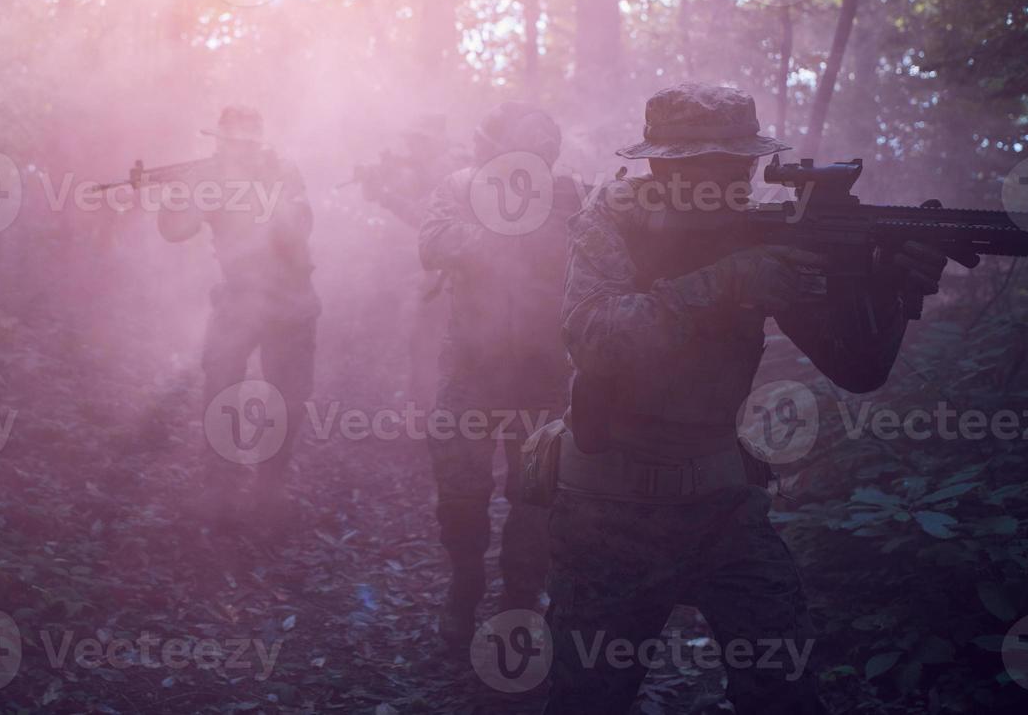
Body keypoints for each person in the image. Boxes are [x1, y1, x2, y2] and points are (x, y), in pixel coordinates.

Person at [545, 83, 954, 714]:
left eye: (738, 167)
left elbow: (858, 366)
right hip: (608, 506)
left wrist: (890, 290)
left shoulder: (765, 236)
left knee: (783, 689)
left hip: (722, 504)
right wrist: (726, 281)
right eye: (703, 167)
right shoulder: (616, 217)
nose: (727, 182)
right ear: (659, 165)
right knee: (588, 697)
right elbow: (595, 337)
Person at [418, 101, 581, 651]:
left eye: (540, 154)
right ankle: (465, 585)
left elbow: (598, 262)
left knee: (536, 496)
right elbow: (433, 243)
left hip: (541, 375)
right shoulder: (461, 188)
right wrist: (504, 229)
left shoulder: (570, 195)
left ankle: (519, 599)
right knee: (460, 492)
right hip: (471, 370)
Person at [157, 105, 320, 518]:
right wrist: (181, 195)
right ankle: (220, 487)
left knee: (288, 396)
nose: (235, 150)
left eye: (244, 143)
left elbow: (299, 225)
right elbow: (175, 231)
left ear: (257, 145)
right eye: (230, 143)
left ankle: (270, 486)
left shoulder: (283, 171)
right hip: (239, 295)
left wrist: (252, 193)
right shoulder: (209, 176)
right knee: (221, 384)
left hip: (291, 298)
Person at [356, 114, 465, 402]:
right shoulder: (432, 166)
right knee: (428, 346)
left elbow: (425, 217)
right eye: (411, 140)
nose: (413, 147)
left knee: (431, 346)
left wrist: (384, 195)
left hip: (459, 279)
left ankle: (432, 419)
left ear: (438, 142)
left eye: (421, 140)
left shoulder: (449, 168)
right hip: (447, 276)